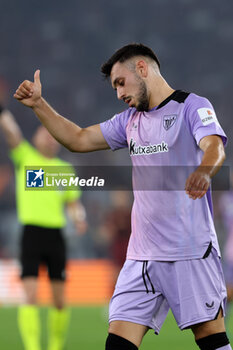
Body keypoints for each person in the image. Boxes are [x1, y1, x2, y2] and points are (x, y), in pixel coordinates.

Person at [13, 43, 231, 350]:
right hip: (141, 257)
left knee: (211, 340)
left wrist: (205, 172)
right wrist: (39, 104)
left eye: (120, 82)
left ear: (141, 69)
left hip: (190, 251)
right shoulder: (129, 121)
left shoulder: (191, 106)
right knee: (117, 343)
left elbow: (214, 145)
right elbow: (78, 138)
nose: (118, 93)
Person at [0, 106, 87, 350]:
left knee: (59, 300)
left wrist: (79, 219)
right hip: (31, 233)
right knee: (30, 295)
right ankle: (32, 347)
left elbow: (73, 202)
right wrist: (3, 113)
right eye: (44, 134)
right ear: (36, 138)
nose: (50, 139)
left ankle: (55, 346)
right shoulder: (26, 157)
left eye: (53, 136)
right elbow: (12, 133)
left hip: (55, 236)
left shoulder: (65, 170)